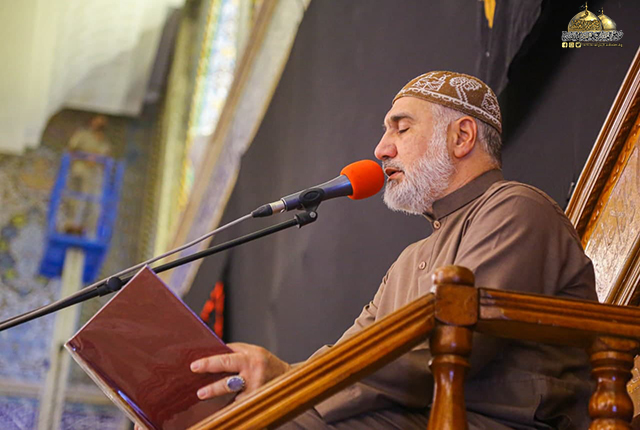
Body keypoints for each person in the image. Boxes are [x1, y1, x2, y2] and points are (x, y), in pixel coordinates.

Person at [186, 71, 597, 429]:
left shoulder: (515, 208)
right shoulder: (407, 262)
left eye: (401, 129)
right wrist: (277, 380)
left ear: (462, 137)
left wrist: (285, 382)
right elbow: (351, 356)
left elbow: (442, 354)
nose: (382, 149)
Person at [61, 115, 112, 237]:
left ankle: (87, 229)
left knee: (93, 202)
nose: (99, 125)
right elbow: (71, 150)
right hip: (81, 171)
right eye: (97, 121)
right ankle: (72, 224)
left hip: (94, 175)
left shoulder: (104, 142)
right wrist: (85, 157)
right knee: (77, 199)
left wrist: (97, 159)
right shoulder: (82, 135)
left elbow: (106, 158)